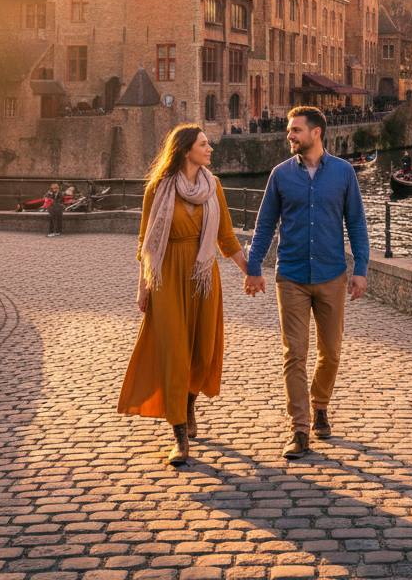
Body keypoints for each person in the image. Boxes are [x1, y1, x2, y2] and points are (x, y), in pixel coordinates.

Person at [118, 124, 250, 466]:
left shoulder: (213, 186)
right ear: (186, 150)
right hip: (167, 277)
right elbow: (145, 243)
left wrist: (249, 269)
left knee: (202, 352)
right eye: (204, 145)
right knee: (175, 353)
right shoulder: (157, 189)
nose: (210, 150)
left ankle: (190, 404)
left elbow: (226, 237)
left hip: (203, 276)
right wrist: (142, 285)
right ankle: (178, 434)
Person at [245, 106, 369, 460]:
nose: (290, 135)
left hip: (332, 274)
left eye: (296, 130)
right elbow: (265, 224)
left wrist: (360, 268)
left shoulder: (344, 173)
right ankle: (299, 430)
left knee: (330, 353)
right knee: (294, 354)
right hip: (292, 276)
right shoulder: (281, 175)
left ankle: (320, 405)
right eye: (290, 130)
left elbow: (357, 224)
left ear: (316, 133)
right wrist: (254, 268)